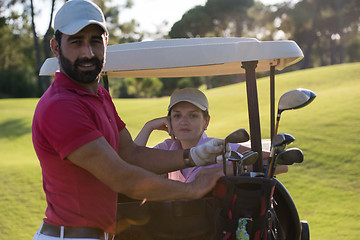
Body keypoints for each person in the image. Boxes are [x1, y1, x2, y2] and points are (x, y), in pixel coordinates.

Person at [31, 1, 230, 240]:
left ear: (105, 43)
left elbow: (132, 154)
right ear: (56, 47)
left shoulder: (99, 96)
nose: (88, 53)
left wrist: (194, 156)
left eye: (95, 41)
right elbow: (120, 175)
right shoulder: (61, 105)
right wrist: (191, 189)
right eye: (76, 42)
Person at [135, 88, 288, 182]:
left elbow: (280, 164)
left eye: (193, 116)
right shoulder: (167, 148)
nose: (183, 122)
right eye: (177, 116)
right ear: (169, 120)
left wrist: (218, 171)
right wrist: (148, 127)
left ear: (206, 121)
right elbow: (131, 162)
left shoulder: (218, 147)